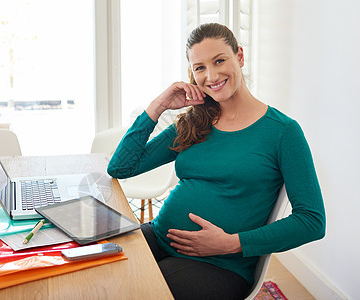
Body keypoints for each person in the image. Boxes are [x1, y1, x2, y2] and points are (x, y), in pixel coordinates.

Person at [107, 23, 325, 300]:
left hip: (219, 264)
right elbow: (121, 167)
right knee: (94, 267)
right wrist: (158, 106)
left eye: (219, 60)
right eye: (199, 68)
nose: (211, 76)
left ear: (240, 57)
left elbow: (312, 221)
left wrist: (232, 243)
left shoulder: (283, 132)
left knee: (135, 291)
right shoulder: (196, 120)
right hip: (159, 237)